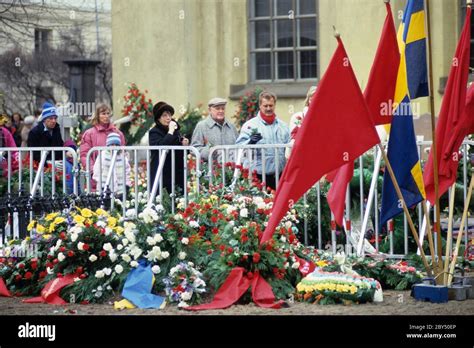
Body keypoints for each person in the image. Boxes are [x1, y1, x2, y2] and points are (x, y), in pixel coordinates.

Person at [236, 91, 289, 189]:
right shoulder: (250, 126)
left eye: (271, 105)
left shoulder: (283, 126)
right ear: (260, 105)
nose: (268, 108)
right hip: (258, 176)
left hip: (279, 176)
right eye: (265, 106)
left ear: (274, 105)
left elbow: (290, 149)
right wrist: (250, 142)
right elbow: (239, 147)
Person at [79, 103, 125, 188]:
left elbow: (122, 153)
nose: (106, 116)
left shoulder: (118, 133)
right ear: (97, 115)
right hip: (97, 175)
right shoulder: (89, 134)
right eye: (103, 113)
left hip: (116, 173)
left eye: (108, 113)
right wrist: (93, 170)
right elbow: (85, 155)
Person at [149, 101, 189, 196]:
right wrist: (170, 131)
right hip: (162, 172)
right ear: (158, 119)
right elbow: (162, 146)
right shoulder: (154, 132)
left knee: (179, 199)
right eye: (164, 115)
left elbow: (181, 152)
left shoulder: (175, 132)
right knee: (163, 200)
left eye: (169, 115)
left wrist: (184, 145)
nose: (168, 118)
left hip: (176, 172)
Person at [191, 97, 239, 162]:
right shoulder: (201, 126)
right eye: (217, 109)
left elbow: (239, 145)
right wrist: (209, 152)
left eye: (223, 108)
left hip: (231, 168)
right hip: (210, 169)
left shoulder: (231, 126)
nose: (221, 111)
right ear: (210, 110)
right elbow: (194, 149)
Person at [286, 86, 317, 159]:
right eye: (312, 99)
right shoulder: (297, 117)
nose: (314, 102)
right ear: (308, 100)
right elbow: (293, 136)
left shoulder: (326, 117)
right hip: (301, 156)